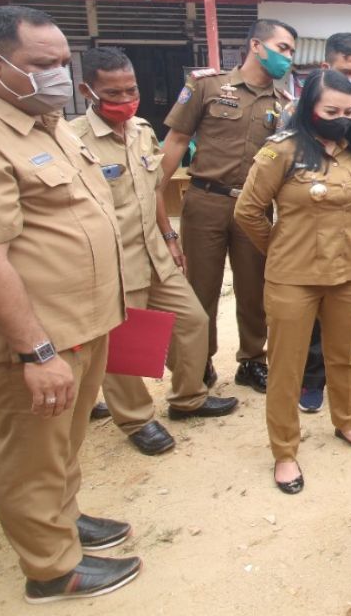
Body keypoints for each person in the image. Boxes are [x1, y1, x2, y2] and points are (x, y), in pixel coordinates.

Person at [0, 6, 141, 601]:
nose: (60, 77)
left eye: (64, 64)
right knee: (32, 451)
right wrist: (36, 352)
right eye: (44, 65)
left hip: (81, 321)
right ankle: (51, 567)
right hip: (34, 338)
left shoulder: (43, 121)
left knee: (63, 442)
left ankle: (61, 521)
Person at [69, 48, 239, 455]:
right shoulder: (73, 140)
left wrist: (169, 236)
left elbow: (154, 190)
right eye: (113, 92)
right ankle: (136, 419)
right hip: (114, 262)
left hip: (155, 253)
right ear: (87, 90)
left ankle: (188, 397)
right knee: (125, 346)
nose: (126, 98)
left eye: (131, 89)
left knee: (193, 321)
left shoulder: (142, 130)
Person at [234, 70, 351, 494]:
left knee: (344, 356)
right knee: (287, 366)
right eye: (330, 110)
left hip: (346, 274)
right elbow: (248, 211)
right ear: (307, 108)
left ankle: (346, 422)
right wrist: (280, 249)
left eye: (347, 112)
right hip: (292, 279)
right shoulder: (281, 150)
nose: (340, 118)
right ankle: (284, 451)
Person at [158, 19, 299, 395]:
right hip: (206, 201)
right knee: (200, 288)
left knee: (255, 289)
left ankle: (252, 360)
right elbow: (176, 139)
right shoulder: (207, 86)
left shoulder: (285, 106)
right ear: (256, 44)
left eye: (291, 51)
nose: (288, 57)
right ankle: (198, 363)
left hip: (253, 208)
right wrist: (152, 191)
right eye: (282, 47)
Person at [292, 34, 351, 414]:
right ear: (326, 67)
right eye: (346, 70)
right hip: (316, 228)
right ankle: (313, 375)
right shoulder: (297, 112)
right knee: (316, 302)